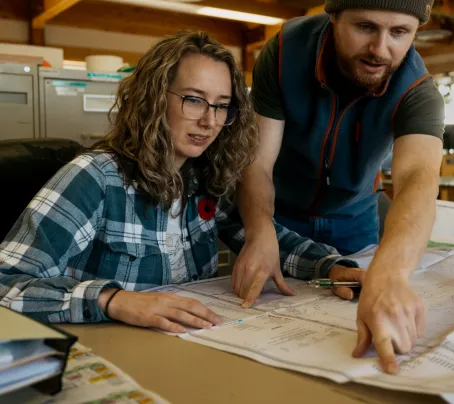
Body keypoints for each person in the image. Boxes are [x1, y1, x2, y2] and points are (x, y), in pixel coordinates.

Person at [0, 31, 365, 332]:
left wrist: (331, 268)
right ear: (153, 99)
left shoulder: (203, 178)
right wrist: (112, 299)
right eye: (194, 100)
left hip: (188, 346)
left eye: (221, 105)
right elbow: (6, 284)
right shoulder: (94, 178)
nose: (209, 121)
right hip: (114, 351)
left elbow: (263, 241)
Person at [234, 0, 445, 373]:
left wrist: (390, 275)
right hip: (280, 215)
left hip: (355, 222)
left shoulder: (418, 90)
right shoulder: (285, 52)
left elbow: (416, 179)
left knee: (346, 314)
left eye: (400, 32)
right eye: (365, 26)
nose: (381, 49)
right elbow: (257, 160)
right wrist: (259, 229)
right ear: (334, 16)